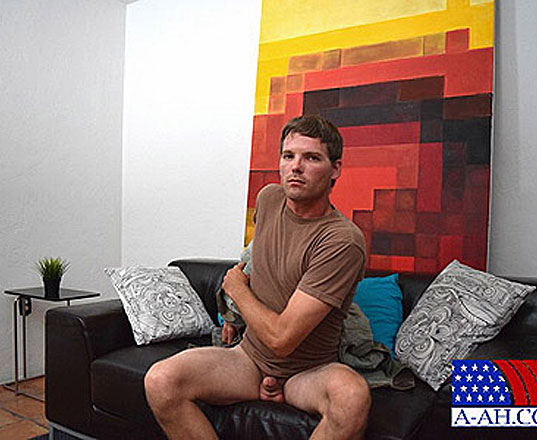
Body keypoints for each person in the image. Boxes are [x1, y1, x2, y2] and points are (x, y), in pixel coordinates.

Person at [144, 115, 370, 439]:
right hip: (250, 358)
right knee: (160, 380)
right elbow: (257, 258)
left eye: (311, 158)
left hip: (307, 372)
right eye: (289, 156)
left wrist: (236, 289)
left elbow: (282, 339)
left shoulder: (342, 240)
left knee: (351, 396)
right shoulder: (268, 198)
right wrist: (233, 315)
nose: (296, 167)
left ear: (335, 169)